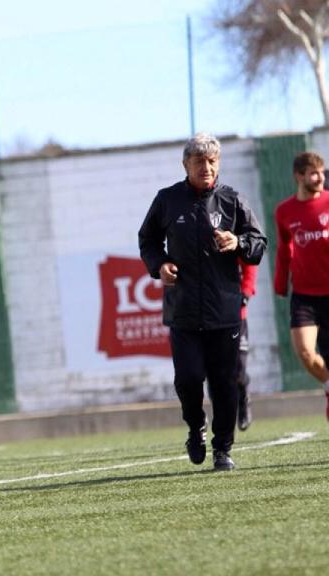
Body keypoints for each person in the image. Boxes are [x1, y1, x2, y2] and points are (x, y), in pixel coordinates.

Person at [138, 133, 266, 472]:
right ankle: (195, 426)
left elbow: (258, 245)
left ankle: (222, 448)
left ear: (218, 164)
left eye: (211, 161)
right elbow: (147, 240)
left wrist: (237, 241)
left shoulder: (232, 201)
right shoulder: (167, 200)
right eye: (198, 162)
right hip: (183, 312)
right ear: (186, 165)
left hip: (224, 312)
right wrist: (160, 265)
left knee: (225, 385)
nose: (206, 167)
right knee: (189, 379)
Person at [273, 151, 329, 421]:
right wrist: (280, 283)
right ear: (299, 176)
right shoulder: (284, 211)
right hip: (304, 295)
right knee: (306, 354)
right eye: (313, 173)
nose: (320, 178)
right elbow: (285, 249)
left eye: (322, 172)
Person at [237, 261, 257, 431]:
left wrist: (246, 291)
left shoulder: (230, 234)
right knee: (214, 372)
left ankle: (243, 397)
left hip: (236, 315)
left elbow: (249, 261)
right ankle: (222, 423)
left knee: (239, 369)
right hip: (209, 318)